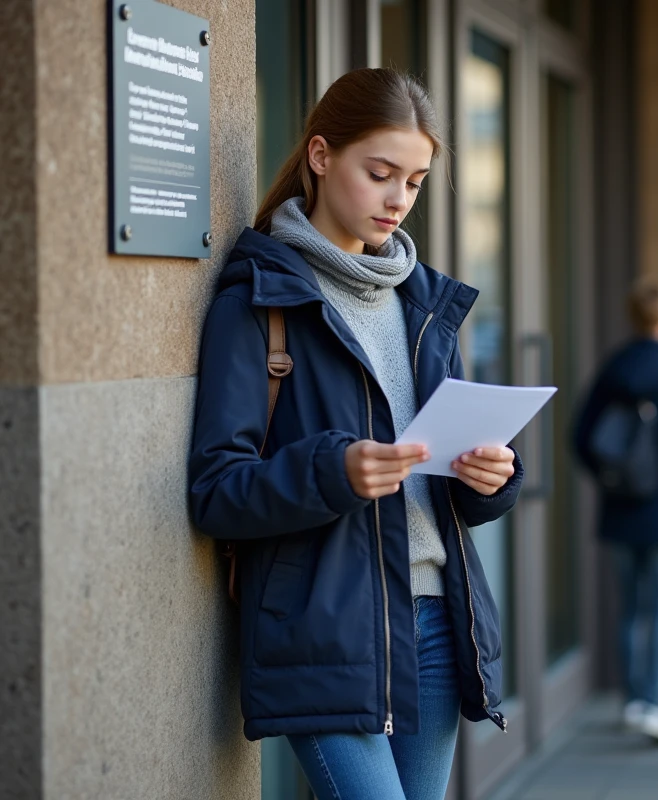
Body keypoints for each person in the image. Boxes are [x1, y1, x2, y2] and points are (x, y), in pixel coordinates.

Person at [188, 69, 523, 800]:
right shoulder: (259, 301)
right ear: (319, 156)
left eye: (416, 180)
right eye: (380, 173)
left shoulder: (426, 306)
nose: (398, 198)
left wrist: (492, 476)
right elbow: (216, 489)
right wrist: (335, 472)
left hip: (439, 623)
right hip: (324, 630)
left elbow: (450, 493)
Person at [573, 280, 658, 747]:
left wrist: (610, 476)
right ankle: (653, 704)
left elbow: (581, 436)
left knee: (630, 609)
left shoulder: (612, 370)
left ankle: (633, 702)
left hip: (620, 509)